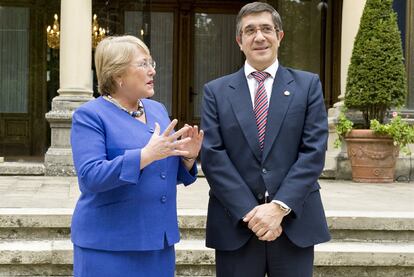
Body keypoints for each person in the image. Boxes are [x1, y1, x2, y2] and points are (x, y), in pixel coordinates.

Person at [201, 2, 330, 277]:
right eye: (250, 31)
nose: (259, 37)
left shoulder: (307, 86)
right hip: (236, 225)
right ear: (239, 41)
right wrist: (255, 215)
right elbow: (213, 156)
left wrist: (279, 208)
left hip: (293, 223)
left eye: (266, 29)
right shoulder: (216, 91)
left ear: (279, 36)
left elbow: (313, 152)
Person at [70, 35, 203, 277]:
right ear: (118, 75)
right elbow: (90, 177)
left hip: (158, 243)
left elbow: (161, 171)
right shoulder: (89, 115)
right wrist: (145, 155)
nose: (152, 70)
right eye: (143, 64)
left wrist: (187, 159)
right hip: (108, 245)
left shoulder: (157, 110)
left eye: (152, 63)